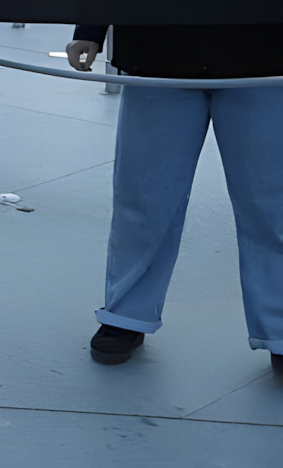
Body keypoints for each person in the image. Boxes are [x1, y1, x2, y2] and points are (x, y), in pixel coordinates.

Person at [66, 22, 283, 373]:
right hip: (161, 51)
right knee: (145, 196)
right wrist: (90, 29)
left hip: (265, 53)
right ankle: (126, 314)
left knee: (271, 204)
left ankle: (280, 330)